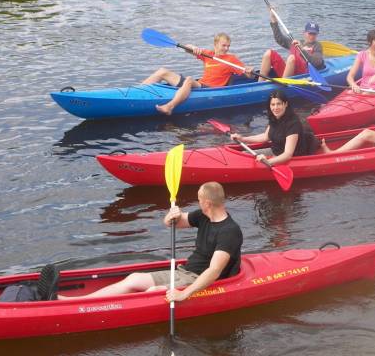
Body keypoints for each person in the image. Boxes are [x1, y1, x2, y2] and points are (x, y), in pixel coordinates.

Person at [48, 182, 242, 303]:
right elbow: (174, 223)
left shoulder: (229, 232)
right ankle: (79, 301)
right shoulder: (204, 215)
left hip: (199, 279)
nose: (197, 202)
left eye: (199, 199)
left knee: (152, 292)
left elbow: (213, 271)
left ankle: (115, 308)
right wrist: (170, 217)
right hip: (184, 271)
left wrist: (184, 294)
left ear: (207, 203)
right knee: (133, 278)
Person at [141, 33, 254, 115]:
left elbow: (248, 75)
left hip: (211, 89)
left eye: (228, 46)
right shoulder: (208, 54)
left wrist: (249, 72)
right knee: (162, 71)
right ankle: (137, 91)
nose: (226, 48)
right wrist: (194, 48)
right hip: (201, 85)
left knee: (189, 79)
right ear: (215, 44)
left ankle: (169, 107)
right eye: (224, 45)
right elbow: (187, 48)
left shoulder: (231, 59)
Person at [230, 89, 319, 166]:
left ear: (285, 104)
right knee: (243, 155)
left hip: (289, 159)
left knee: (248, 160)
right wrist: (242, 138)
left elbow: (288, 154)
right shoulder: (275, 117)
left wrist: (268, 162)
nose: (275, 108)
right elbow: (265, 137)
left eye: (278, 104)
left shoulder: (293, 123)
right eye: (273, 104)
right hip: (275, 152)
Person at [257, 9, 324, 79]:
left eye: (314, 34)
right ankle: (259, 84)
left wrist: (302, 49)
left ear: (317, 34)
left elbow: (316, 62)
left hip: (302, 74)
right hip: (288, 72)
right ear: (304, 33)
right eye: (310, 33)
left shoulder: (317, 46)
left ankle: (283, 85)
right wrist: (274, 19)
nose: (312, 36)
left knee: (291, 57)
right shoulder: (295, 42)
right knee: (269, 53)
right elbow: (279, 38)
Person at [345, 29, 375, 94]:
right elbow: (350, 76)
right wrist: (353, 85)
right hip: (363, 89)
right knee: (349, 93)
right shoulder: (362, 55)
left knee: (365, 94)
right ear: (369, 42)